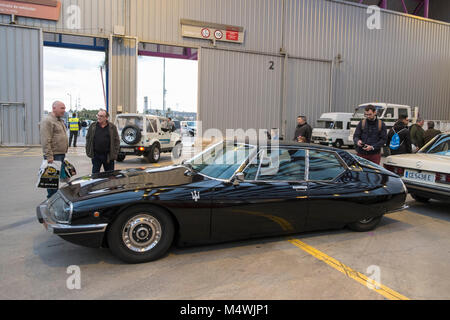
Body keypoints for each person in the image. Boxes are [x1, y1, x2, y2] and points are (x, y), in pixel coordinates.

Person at [40, 101, 69, 199]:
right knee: (51, 182)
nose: (64, 111)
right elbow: (45, 140)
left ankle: (55, 199)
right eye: (62, 108)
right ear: (54, 108)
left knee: (55, 181)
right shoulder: (48, 121)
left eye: (64, 108)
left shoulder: (59, 120)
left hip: (60, 155)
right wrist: (49, 156)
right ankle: (51, 201)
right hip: (53, 156)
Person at [85, 109, 120, 174]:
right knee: (95, 175)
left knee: (109, 176)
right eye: (98, 115)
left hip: (108, 156)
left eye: (101, 116)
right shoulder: (93, 126)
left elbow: (116, 141)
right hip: (96, 156)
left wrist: (115, 153)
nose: (98, 117)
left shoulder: (112, 127)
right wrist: (88, 150)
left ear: (106, 118)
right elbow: (88, 138)